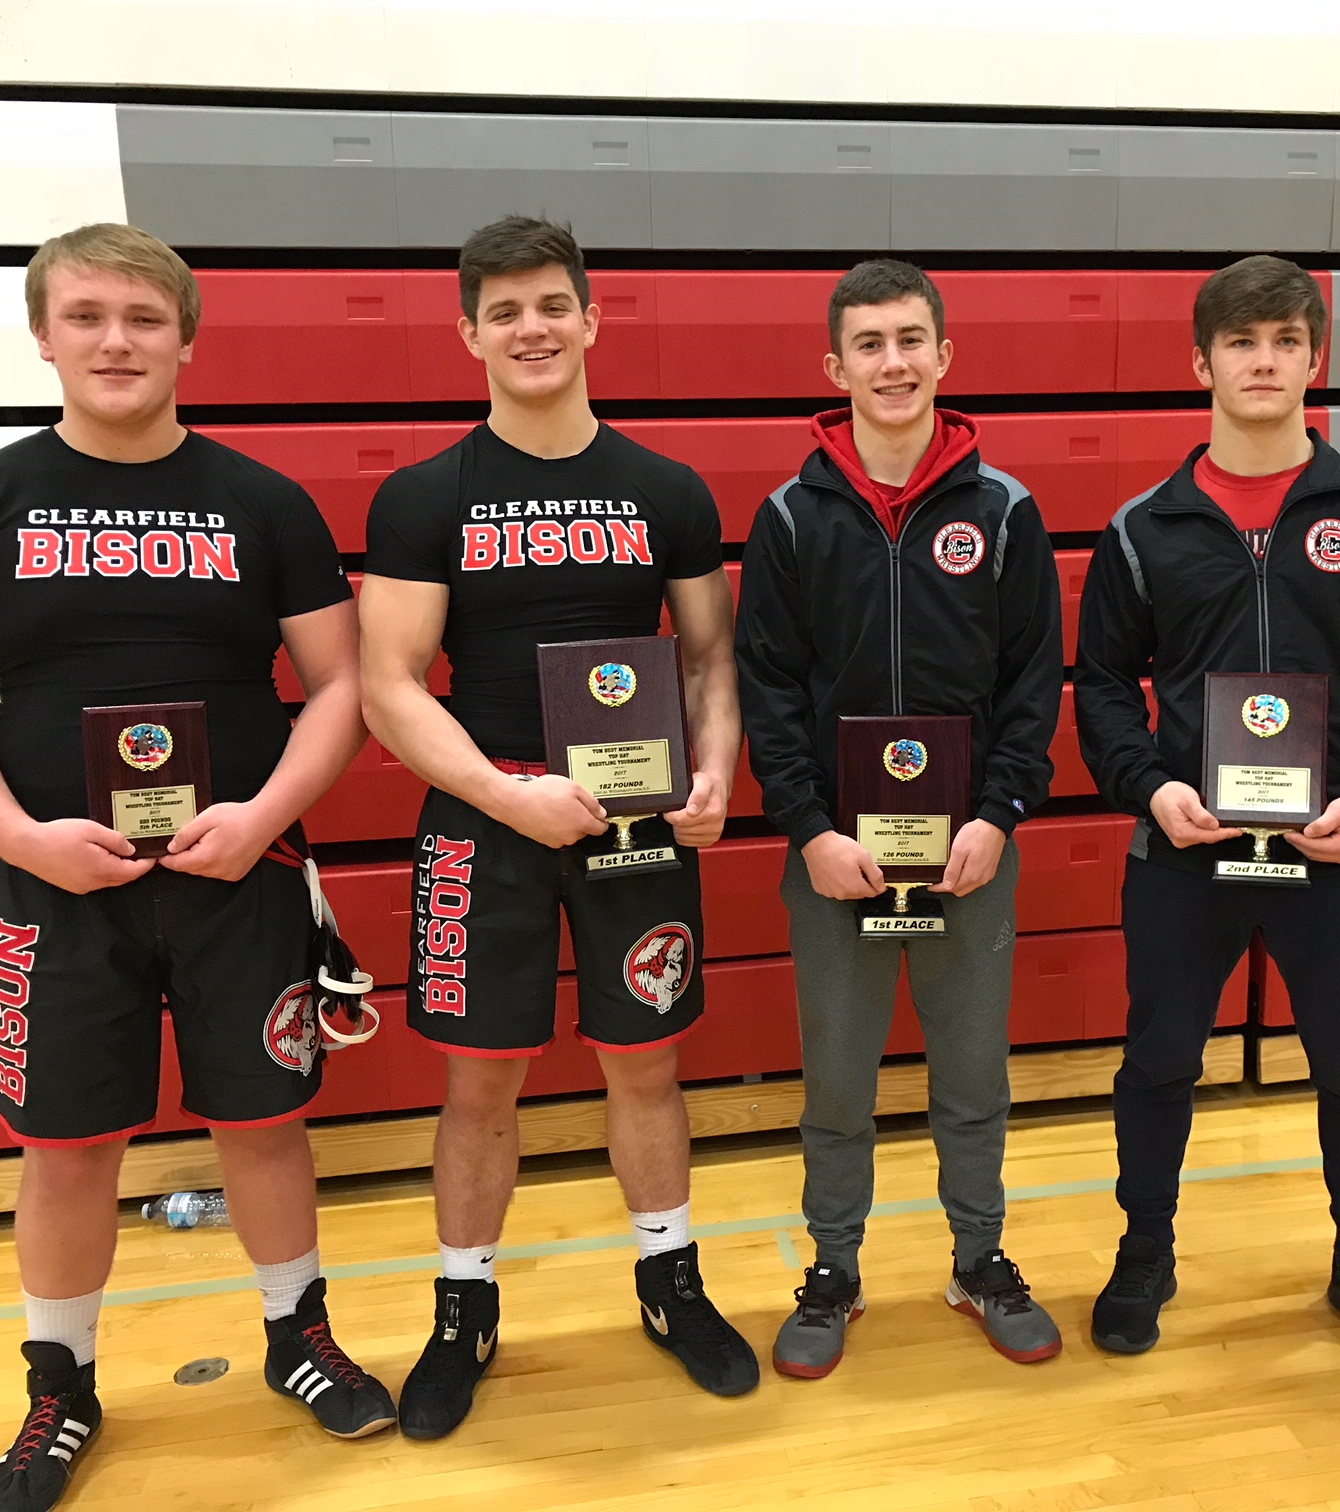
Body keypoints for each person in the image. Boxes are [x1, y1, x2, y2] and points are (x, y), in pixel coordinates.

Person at [0, 223, 389, 1512]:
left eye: (145, 319)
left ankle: (299, 1336)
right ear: (45, 334)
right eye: (91, 316)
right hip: (54, 881)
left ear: (185, 338)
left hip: (242, 875)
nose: (118, 341)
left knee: (267, 1125)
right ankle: (61, 1385)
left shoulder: (261, 500)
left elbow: (339, 686)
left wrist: (267, 813)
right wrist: (19, 839)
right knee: (65, 1147)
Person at [359, 215, 754, 1431]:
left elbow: (707, 658)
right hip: (489, 821)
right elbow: (388, 683)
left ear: (590, 318)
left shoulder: (664, 488)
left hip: (633, 815)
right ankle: (464, 1307)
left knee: (644, 1060)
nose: (533, 328)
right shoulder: (427, 496)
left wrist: (714, 775)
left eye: (552, 306)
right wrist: (503, 795)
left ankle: (669, 1277)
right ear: (470, 332)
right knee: (481, 1080)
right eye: (507, 311)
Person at [1073, 255, 1340, 1372]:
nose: (1263, 361)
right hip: (1184, 849)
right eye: (1242, 342)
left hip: (1334, 849)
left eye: (1286, 341)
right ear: (1201, 363)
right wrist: (1152, 786)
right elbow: (1101, 682)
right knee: (1158, 1063)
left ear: (1314, 358)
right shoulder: (1147, 525)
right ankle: (1145, 1250)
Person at [734, 259, 1065, 1378]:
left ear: (944, 358)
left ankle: (980, 1258)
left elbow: (1034, 683)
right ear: (836, 368)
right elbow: (766, 690)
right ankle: (833, 1271)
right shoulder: (790, 517)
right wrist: (808, 829)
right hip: (836, 858)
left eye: (910, 339)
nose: (892, 361)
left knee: (972, 1074)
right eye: (869, 343)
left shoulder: (1005, 511)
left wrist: (1002, 813)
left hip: (971, 853)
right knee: (839, 1080)